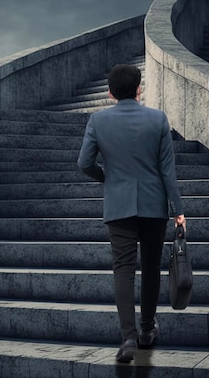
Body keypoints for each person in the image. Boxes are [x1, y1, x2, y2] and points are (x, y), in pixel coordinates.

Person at [77, 64, 186, 363]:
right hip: (154, 207)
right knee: (151, 269)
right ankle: (147, 330)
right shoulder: (157, 119)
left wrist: (108, 178)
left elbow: (84, 163)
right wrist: (179, 210)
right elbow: (168, 171)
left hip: (119, 207)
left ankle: (127, 338)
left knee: (123, 270)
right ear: (139, 89)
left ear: (110, 92)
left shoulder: (98, 121)